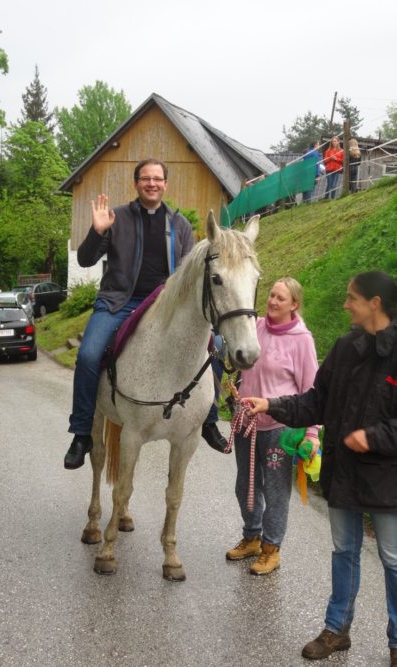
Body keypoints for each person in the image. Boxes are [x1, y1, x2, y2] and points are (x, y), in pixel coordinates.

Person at [244, 271, 397, 664]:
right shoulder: (346, 347)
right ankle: (336, 629)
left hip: (387, 479)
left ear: (375, 304)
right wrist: (271, 405)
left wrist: (374, 437)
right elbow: (315, 401)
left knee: (393, 560)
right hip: (344, 472)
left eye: (352, 298)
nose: (345, 304)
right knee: (344, 550)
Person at [64, 158, 226, 470]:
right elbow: (85, 260)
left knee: (216, 345)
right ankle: (81, 433)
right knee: (87, 355)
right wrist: (97, 232)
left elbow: (190, 275)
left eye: (157, 179)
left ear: (165, 184)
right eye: (145, 179)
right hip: (117, 302)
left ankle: (209, 420)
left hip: (164, 304)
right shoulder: (118, 218)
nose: (151, 184)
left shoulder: (179, 225)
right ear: (136, 183)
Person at [226, 277, 320, 575]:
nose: (272, 301)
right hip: (247, 421)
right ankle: (251, 537)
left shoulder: (302, 339)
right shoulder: (255, 326)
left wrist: (311, 432)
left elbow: (312, 389)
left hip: (281, 427)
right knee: (245, 486)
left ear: (294, 305)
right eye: (271, 295)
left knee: (277, 491)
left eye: (280, 298)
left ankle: (271, 549)